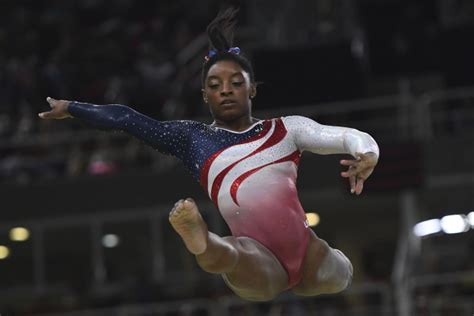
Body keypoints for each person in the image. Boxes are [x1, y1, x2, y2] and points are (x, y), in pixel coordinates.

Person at [38, 8, 379, 301]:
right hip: (256, 256)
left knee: (342, 274)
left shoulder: (286, 129)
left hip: (306, 251)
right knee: (229, 254)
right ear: (204, 96)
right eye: (215, 86)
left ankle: (210, 244)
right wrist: (73, 107)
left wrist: (367, 152)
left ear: (252, 89)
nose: (226, 90)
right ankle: (201, 239)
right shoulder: (192, 138)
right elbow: (128, 119)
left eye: (235, 83)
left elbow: (346, 136)